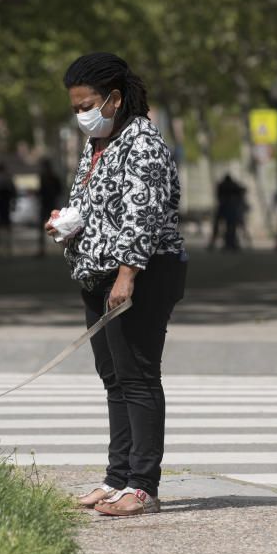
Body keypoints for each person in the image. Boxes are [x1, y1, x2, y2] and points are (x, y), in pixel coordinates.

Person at [46, 52, 187, 517]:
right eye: (74, 108)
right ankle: (117, 476)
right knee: (114, 378)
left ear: (114, 99)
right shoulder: (99, 143)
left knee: (139, 376)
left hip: (141, 273)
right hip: (97, 271)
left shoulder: (143, 143)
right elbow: (93, 201)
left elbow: (142, 215)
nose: (81, 115)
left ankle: (143, 485)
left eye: (85, 105)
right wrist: (67, 222)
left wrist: (127, 274)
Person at [36, 158, 62, 257]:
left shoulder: (51, 178)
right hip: (47, 204)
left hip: (50, 204)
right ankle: (42, 249)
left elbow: (58, 190)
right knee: (48, 227)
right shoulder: (46, 177)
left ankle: (63, 248)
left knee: (57, 227)